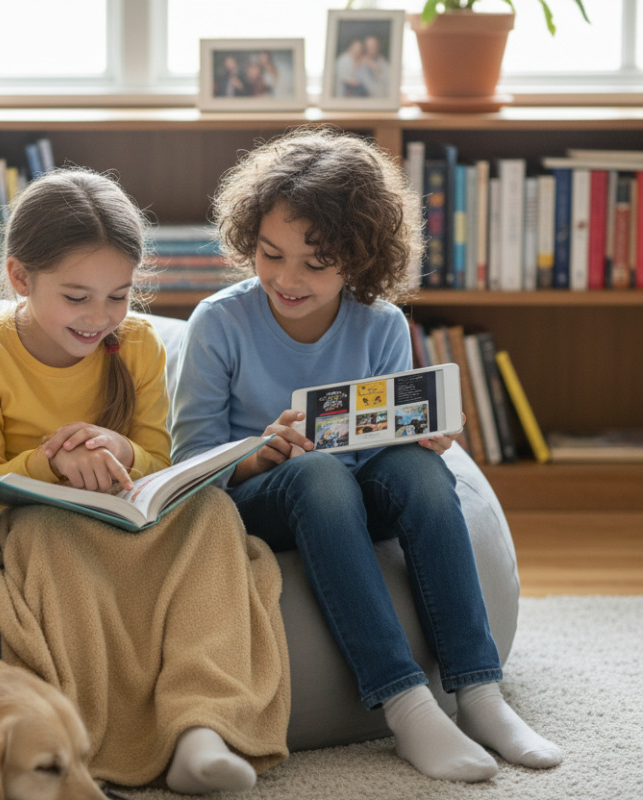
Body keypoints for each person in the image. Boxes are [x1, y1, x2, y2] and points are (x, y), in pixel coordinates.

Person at [171, 127, 562, 782]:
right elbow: (192, 460)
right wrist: (260, 454)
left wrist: (422, 434)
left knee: (420, 469)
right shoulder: (219, 323)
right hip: (261, 499)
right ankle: (406, 705)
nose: (286, 278)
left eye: (315, 263)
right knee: (318, 473)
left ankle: (480, 691)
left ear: (358, 259)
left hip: (351, 494)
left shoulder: (381, 324)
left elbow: (381, 447)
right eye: (270, 254)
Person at [0, 168, 290, 793]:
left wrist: (122, 448)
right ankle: (86, 736)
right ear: (20, 277)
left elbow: (159, 458)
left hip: (133, 519)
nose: (99, 317)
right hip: (45, 522)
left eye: (118, 296)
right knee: (46, 533)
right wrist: (53, 461)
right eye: (76, 297)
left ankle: (202, 728)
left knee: (214, 512)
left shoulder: (139, 344)